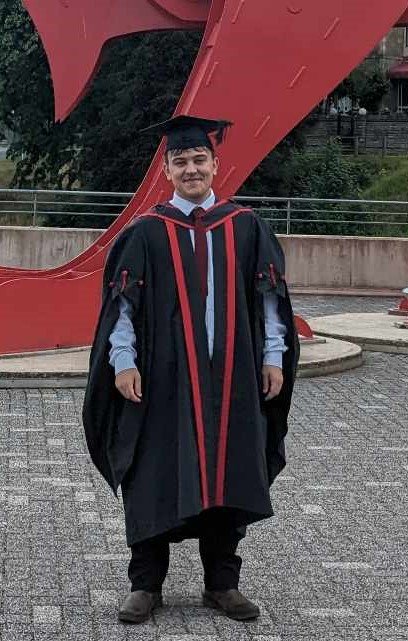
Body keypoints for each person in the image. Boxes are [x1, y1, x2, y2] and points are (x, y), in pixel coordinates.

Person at [83, 115, 299, 624]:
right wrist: (122, 362)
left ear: (215, 164)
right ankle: (146, 585)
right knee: (153, 471)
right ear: (167, 169)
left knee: (230, 472)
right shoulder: (147, 232)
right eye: (180, 161)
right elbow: (122, 308)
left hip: (232, 378)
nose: (191, 169)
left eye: (199, 160)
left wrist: (273, 358)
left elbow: (271, 302)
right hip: (163, 381)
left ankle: (222, 585)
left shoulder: (245, 225)